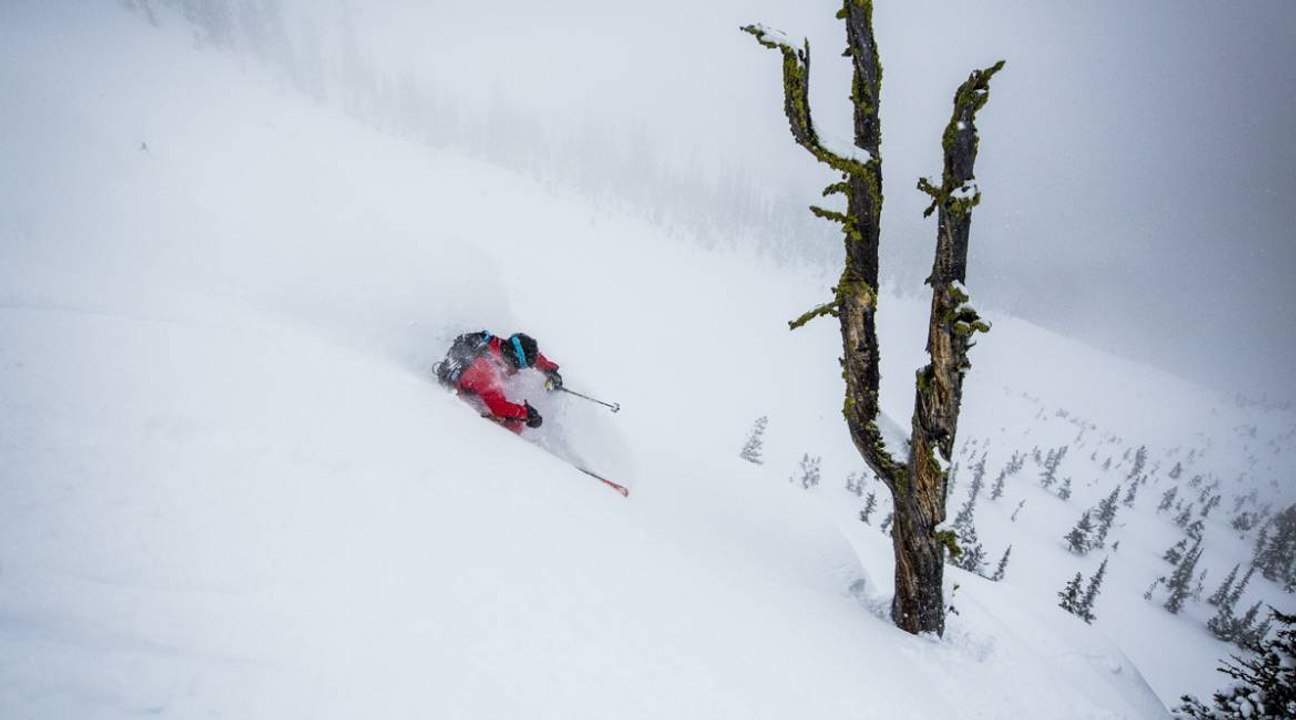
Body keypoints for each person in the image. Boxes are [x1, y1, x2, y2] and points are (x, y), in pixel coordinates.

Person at [435, 331, 563, 433]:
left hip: (472, 375)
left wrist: (549, 369)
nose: (519, 371)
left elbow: (527, 353)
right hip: (462, 394)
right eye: (520, 366)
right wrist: (526, 413)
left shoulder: (500, 345)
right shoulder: (486, 372)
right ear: (511, 360)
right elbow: (498, 407)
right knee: (515, 423)